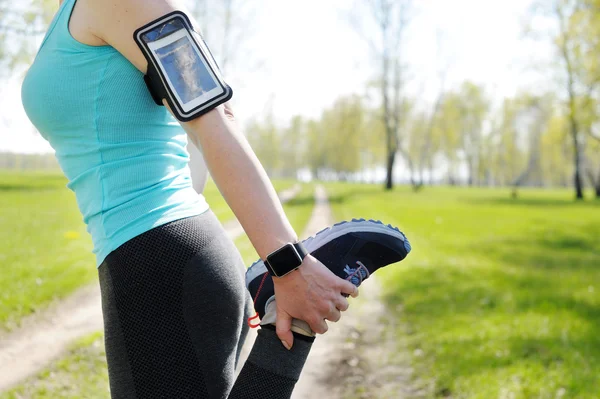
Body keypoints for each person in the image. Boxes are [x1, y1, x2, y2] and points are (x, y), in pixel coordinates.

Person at [20, 0, 410, 398]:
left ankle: (292, 310)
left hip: (160, 260)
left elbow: (215, 120)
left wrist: (288, 263)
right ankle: (288, 326)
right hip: (149, 256)